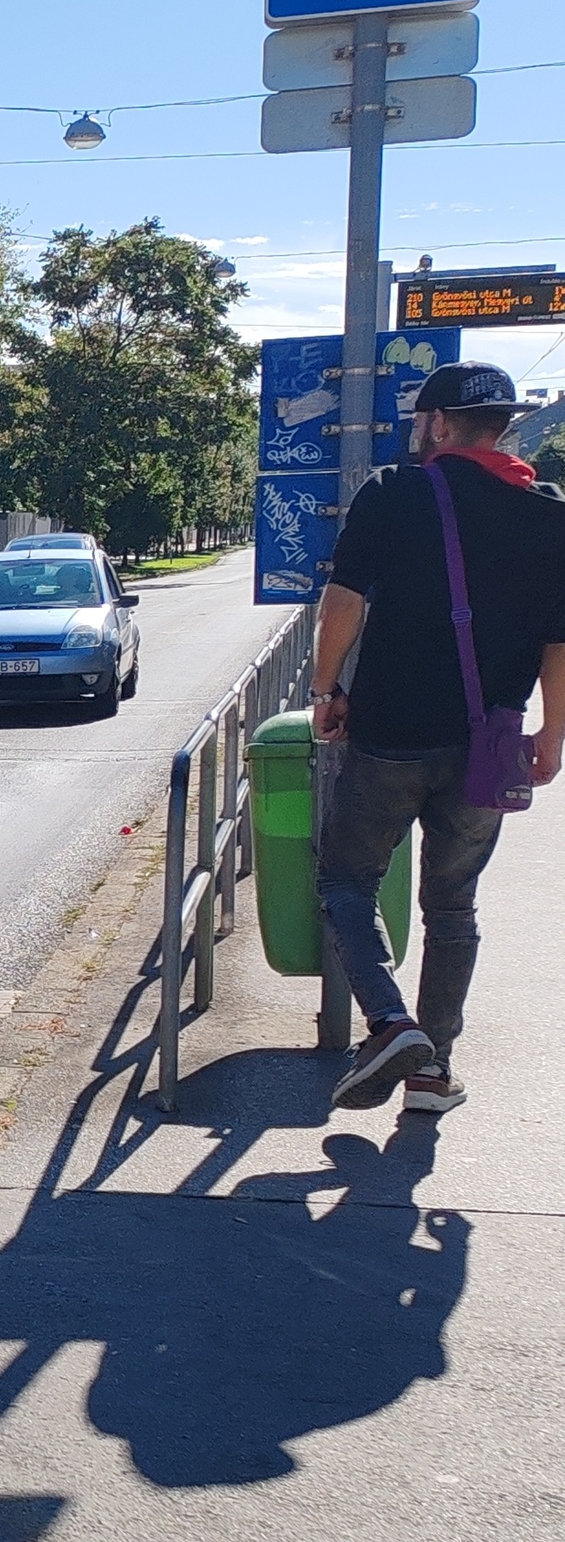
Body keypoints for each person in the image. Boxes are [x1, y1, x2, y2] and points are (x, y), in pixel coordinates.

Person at [311, 361, 565, 1113]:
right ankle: (432, 1071)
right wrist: (553, 732)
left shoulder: (395, 493)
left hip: (390, 733)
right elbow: (560, 638)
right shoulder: (551, 514)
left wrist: (327, 690)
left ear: (439, 424)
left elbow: (343, 601)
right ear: (504, 427)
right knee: (453, 907)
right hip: (489, 743)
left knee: (345, 881)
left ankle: (389, 1023)